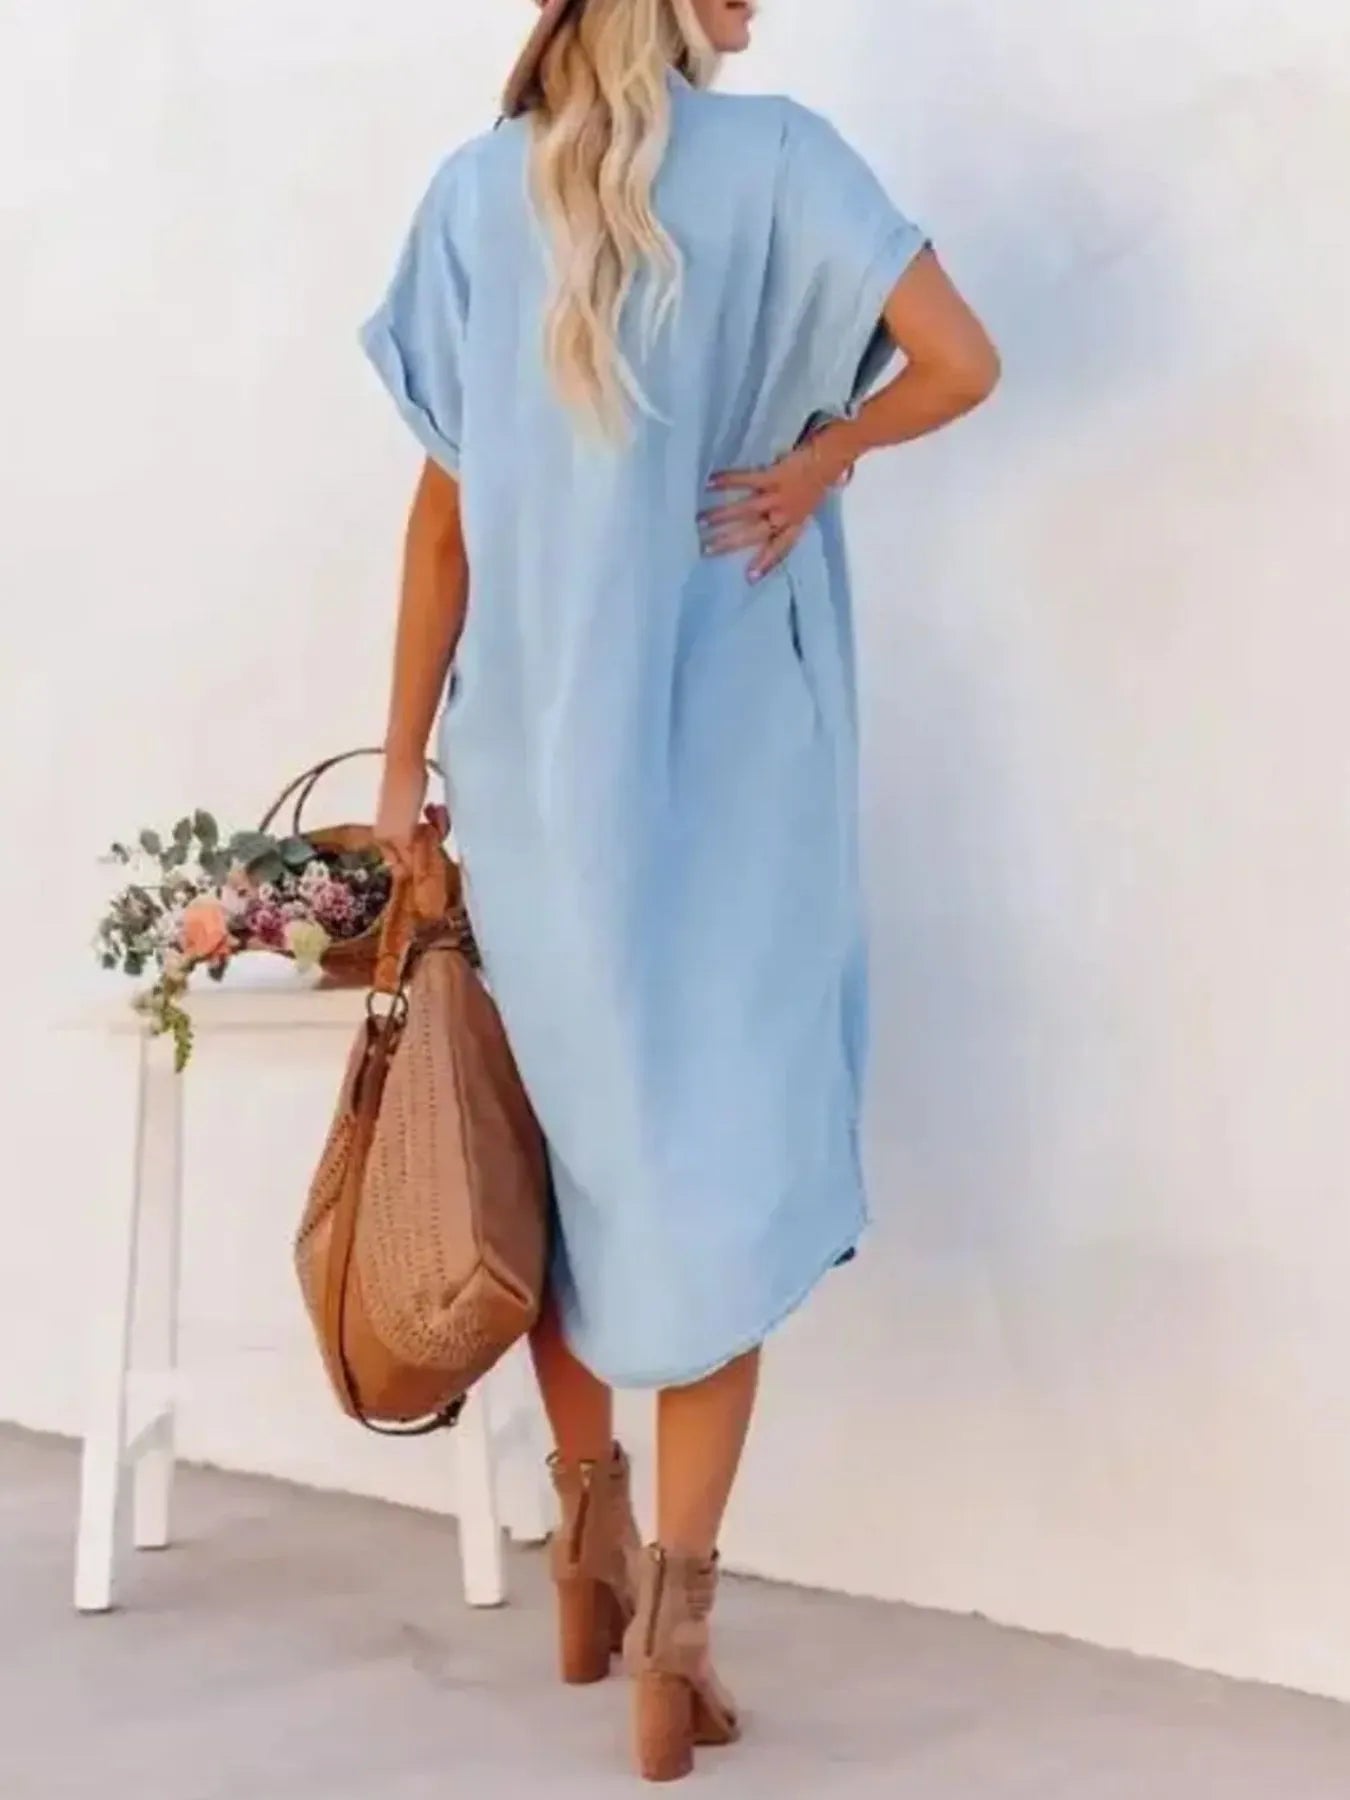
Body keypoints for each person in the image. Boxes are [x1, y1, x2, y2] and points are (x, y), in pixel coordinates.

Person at [365, 0, 998, 1780]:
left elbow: (442, 525)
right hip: (733, 785)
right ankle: (672, 1647)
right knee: (704, 1185)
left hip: (527, 777)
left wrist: (403, 767)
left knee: (567, 1176)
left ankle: (586, 1557)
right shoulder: (786, 162)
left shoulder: (473, 194)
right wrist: (816, 460)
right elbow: (960, 362)